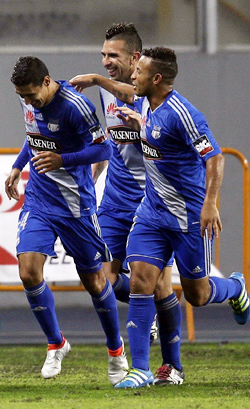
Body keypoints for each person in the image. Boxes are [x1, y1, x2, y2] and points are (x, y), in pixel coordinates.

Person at [83, 47, 250, 388]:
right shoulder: (146, 102)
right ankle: (142, 368)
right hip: (152, 213)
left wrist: (210, 204)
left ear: (156, 78)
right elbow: (131, 97)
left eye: (139, 72)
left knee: (198, 295)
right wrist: (133, 117)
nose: (133, 76)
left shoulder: (183, 113)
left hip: (189, 217)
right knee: (142, 279)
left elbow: (215, 158)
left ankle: (235, 287)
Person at [69, 22, 184, 386]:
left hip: (152, 202)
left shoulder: (150, 91)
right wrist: (97, 169)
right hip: (116, 200)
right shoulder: (106, 91)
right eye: (102, 56)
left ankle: (172, 365)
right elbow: (113, 139)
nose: (105, 62)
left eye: (112, 56)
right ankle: (145, 319)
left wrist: (97, 80)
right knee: (101, 276)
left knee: (166, 287)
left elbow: (131, 95)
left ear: (136, 59)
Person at [5, 56, 128, 385]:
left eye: (32, 95)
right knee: (28, 271)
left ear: (46, 82)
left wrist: (63, 159)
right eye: (22, 97)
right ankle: (56, 343)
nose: (28, 102)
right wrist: (18, 167)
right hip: (39, 200)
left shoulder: (75, 105)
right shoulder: (28, 99)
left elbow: (104, 151)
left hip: (76, 206)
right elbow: (33, 136)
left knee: (95, 282)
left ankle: (116, 351)